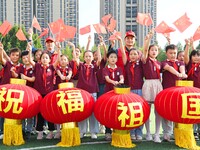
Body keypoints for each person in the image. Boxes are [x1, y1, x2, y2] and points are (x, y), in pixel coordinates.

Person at [27, 42, 60, 140]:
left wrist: (59, 49)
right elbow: (29, 60)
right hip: (39, 93)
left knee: (49, 112)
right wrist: (29, 50)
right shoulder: (37, 66)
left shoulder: (52, 67)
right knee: (40, 113)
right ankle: (40, 132)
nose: (45, 59)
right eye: (43, 58)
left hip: (49, 93)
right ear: (40, 59)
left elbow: (57, 60)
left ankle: (50, 132)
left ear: (50, 60)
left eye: (46, 58)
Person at [119, 34, 144, 141]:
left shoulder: (141, 64)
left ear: (139, 55)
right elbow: (123, 52)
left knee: (140, 111)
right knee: (130, 111)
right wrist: (120, 41)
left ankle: (139, 131)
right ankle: (132, 131)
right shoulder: (127, 63)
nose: (133, 56)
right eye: (131, 54)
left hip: (140, 89)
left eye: (135, 54)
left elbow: (146, 52)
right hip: (130, 90)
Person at [161, 44, 187, 141]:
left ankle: (177, 132)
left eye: (175, 53)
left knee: (179, 112)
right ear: (166, 53)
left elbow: (182, 69)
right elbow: (169, 68)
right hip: (167, 92)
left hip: (179, 93)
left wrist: (182, 73)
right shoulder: (164, 63)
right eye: (170, 53)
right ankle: (167, 133)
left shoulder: (180, 63)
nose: (173, 55)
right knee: (167, 112)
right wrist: (178, 74)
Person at [75, 45, 101, 139]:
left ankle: (93, 131)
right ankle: (82, 131)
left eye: (90, 56)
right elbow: (75, 59)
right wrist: (74, 47)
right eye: (86, 56)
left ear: (93, 57)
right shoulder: (81, 66)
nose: (88, 58)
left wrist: (99, 48)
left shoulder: (94, 66)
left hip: (93, 91)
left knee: (93, 112)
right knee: (82, 112)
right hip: (82, 92)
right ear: (84, 57)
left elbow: (100, 60)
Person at [141, 31, 163, 143]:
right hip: (148, 83)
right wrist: (148, 39)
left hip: (158, 84)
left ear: (158, 52)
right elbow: (144, 50)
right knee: (147, 109)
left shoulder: (160, 63)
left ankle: (157, 134)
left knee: (158, 110)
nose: (154, 52)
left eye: (156, 50)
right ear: (149, 51)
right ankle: (148, 132)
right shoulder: (145, 60)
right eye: (152, 50)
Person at [103, 49, 124, 140]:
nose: (113, 59)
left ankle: (116, 129)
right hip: (108, 93)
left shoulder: (119, 68)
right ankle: (108, 132)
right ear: (107, 59)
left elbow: (122, 77)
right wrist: (114, 82)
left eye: (115, 57)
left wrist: (121, 81)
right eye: (111, 57)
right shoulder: (105, 69)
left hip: (117, 93)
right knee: (108, 112)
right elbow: (107, 79)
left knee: (118, 111)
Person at [184, 38, 200, 140]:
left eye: (198, 55)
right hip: (190, 94)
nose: (196, 57)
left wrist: (193, 45)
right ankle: (193, 131)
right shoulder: (189, 64)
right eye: (193, 55)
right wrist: (188, 46)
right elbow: (186, 56)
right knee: (191, 112)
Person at [18, 50, 35, 140]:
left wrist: (25, 78)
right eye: (23, 58)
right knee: (21, 112)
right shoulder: (21, 68)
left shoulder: (34, 68)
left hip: (31, 94)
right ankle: (22, 130)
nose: (25, 59)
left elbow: (34, 79)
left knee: (29, 113)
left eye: (27, 57)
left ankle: (28, 130)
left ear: (31, 58)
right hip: (21, 94)